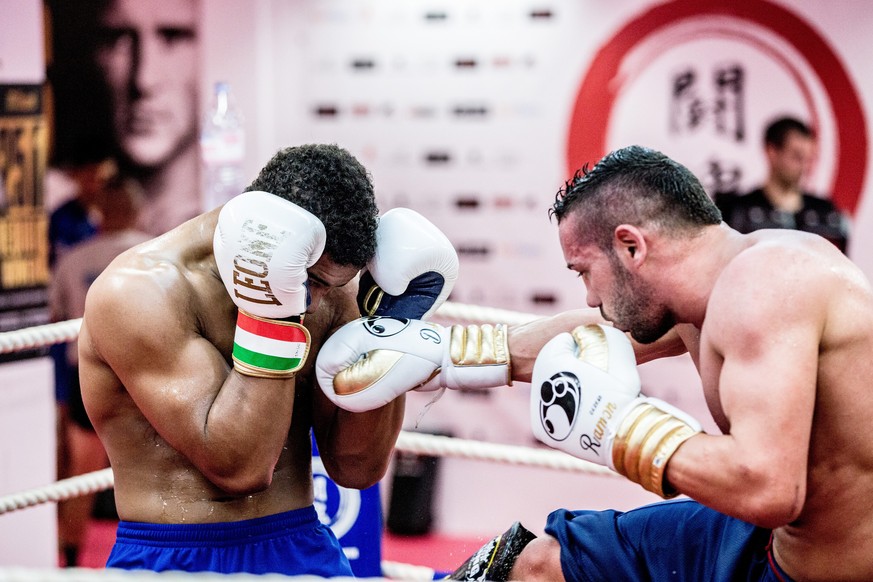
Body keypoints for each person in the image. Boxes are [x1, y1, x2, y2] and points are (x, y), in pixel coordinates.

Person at [317, 145, 873, 581]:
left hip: (812, 566)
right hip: (759, 540)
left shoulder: (765, 284)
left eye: (583, 271)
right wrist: (444, 354)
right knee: (532, 564)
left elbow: (768, 488)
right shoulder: (702, 294)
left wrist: (616, 425)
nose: (586, 295)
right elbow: (587, 336)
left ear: (631, 247)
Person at [77, 143, 460, 576]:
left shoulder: (330, 287)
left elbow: (358, 467)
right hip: (177, 555)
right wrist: (270, 310)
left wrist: (389, 328)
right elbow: (239, 469)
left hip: (299, 544)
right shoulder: (138, 293)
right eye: (312, 281)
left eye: (333, 286)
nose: (315, 303)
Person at [50, 175, 152, 567]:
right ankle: (148, 559)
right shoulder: (155, 251)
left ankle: (71, 561)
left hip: (87, 373)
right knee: (154, 467)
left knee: (82, 474)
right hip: (142, 371)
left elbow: (56, 317)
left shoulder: (73, 259)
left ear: (99, 211)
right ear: (138, 209)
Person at [48, 0, 202, 237]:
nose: (144, 80)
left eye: (173, 36)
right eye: (117, 39)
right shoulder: (60, 209)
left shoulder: (237, 224)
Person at [716, 116, 851, 252]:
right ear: (772, 152)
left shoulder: (824, 211)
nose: (804, 166)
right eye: (796, 156)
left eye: (808, 159)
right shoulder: (738, 210)